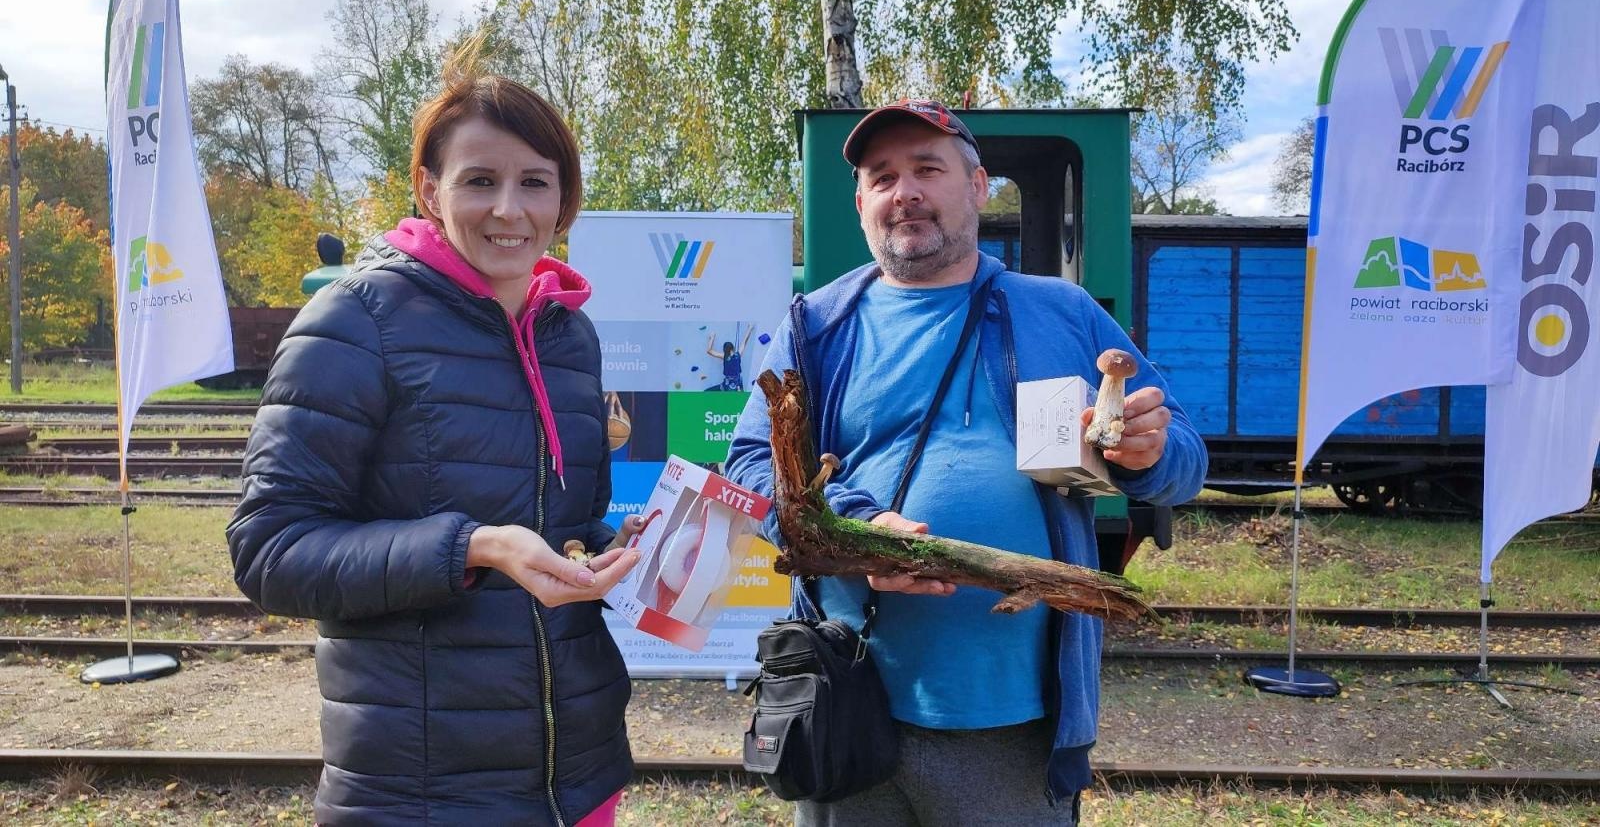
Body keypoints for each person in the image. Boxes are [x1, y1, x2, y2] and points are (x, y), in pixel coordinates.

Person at [724, 99, 1208, 825]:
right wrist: (853, 534)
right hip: (847, 698)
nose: (905, 191)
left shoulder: (1061, 312)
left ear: (979, 186)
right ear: (860, 204)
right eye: (882, 177)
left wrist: (1150, 452)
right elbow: (751, 464)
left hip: (1008, 714)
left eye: (928, 168)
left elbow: (1187, 459)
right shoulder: (815, 324)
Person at [227, 41, 645, 826]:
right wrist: (472, 547)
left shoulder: (570, 337)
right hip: (419, 791)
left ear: (565, 199)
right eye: (479, 180)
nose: (508, 209)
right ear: (428, 188)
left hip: (578, 776)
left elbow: (569, 526)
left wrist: (622, 543)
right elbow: (269, 549)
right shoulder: (354, 321)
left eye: (534, 182)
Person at [706, 324, 756, 390]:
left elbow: (709, 351)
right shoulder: (738, 355)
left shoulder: (724, 356)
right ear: (733, 348)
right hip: (737, 386)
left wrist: (712, 337)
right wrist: (749, 328)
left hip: (727, 386)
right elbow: (744, 342)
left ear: (724, 350)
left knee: (707, 391)